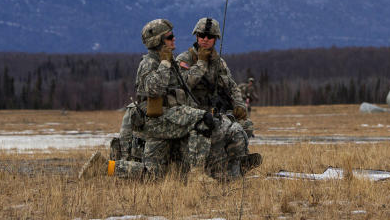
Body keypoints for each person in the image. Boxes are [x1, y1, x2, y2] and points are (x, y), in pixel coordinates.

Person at [80, 19, 213, 180]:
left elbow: (184, 85)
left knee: (152, 175)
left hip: (165, 120)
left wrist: (199, 65)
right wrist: (164, 63)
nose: (174, 39)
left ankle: (104, 166)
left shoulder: (168, 60)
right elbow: (153, 89)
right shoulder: (149, 63)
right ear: (158, 41)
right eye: (170, 37)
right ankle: (197, 174)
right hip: (158, 121)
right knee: (203, 120)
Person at [176, 17, 261, 179]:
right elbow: (184, 84)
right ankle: (219, 168)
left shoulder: (218, 62)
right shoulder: (184, 59)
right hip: (192, 114)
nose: (205, 40)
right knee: (225, 130)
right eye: (202, 35)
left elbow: (232, 85)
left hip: (215, 111)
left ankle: (237, 163)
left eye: (210, 37)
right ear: (196, 37)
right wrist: (201, 64)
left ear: (216, 39)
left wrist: (239, 105)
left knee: (245, 125)